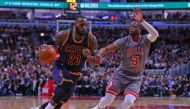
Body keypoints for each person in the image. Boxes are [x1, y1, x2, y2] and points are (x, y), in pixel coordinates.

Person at [91, 8, 159, 109]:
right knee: (108, 100)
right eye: (130, 26)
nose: (131, 28)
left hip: (136, 77)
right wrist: (99, 56)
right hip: (121, 74)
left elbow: (155, 34)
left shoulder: (145, 39)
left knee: (128, 102)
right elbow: (106, 49)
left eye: (134, 26)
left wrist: (142, 21)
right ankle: (98, 107)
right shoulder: (123, 41)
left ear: (139, 30)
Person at [31, 16, 99, 109]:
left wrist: (89, 57)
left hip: (75, 73)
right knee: (67, 86)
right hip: (61, 67)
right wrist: (43, 49)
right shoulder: (65, 34)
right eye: (81, 25)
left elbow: (96, 62)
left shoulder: (91, 39)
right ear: (75, 25)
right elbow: (49, 42)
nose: (84, 27)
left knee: (61, 102)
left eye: (86, 25)